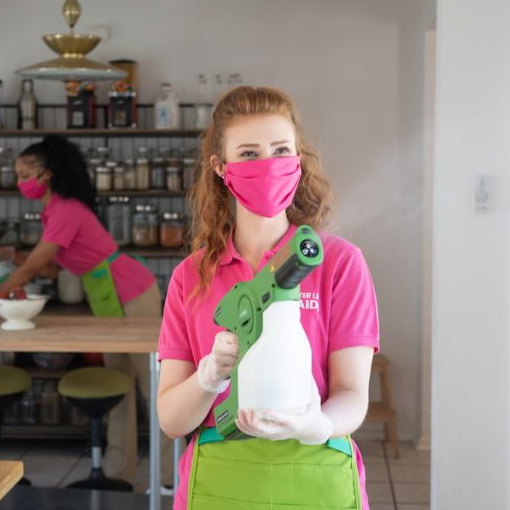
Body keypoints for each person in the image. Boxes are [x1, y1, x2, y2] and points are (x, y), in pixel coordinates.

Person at [157, 86, 379, 509]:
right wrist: (209, 378)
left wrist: (317, 424)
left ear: (298, 159)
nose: (269, 165)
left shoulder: (337, 263)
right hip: (220, 480)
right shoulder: (192, 276)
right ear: (220, 167)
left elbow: (352, 392)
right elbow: (171, 420)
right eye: (249, 154)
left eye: (281, 150)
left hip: (318, 473)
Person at [0, 135, 172, 484]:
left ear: (48, 174)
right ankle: (120, 476)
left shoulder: (66, 210)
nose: (19, 182)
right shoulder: (53, 212)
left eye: (25, 174)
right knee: (119, 387)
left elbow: (31, 270)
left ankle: (172, 477)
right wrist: (11, 256)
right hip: (105, 294)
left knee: (155, 387)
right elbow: (51, 268)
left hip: (131, 291)